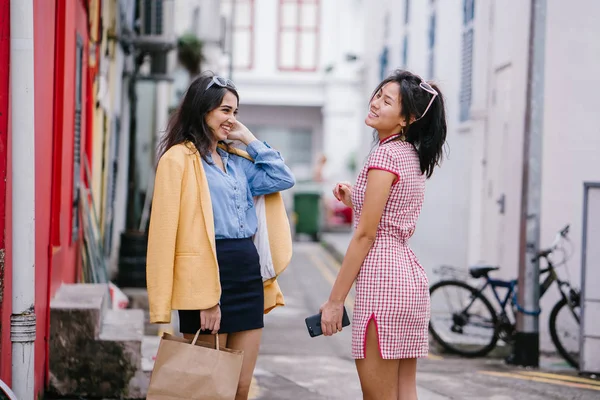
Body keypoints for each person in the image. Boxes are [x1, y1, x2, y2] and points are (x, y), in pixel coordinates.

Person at [146, 73, 295, 400]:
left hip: (246, 276)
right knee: (208, 389)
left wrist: (249, 138)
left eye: (236, 112)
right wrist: (204, 299)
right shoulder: (179, 160)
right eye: (225, 111)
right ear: (203, 110)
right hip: (207, 278)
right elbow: (164, 234)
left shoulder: (237, 161)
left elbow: (282, 177)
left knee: (240, 386)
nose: (232, 119)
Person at [319, 69, 447, 400]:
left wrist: (335, 302)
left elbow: (365, 235)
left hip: (382, 281)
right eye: (378, 95)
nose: (375, 103)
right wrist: (355, 198)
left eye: (386, 101)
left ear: (407, 119)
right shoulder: (410, 156)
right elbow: (391, 209)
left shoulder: (384, 155)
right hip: (409, 281)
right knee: (404, 391)